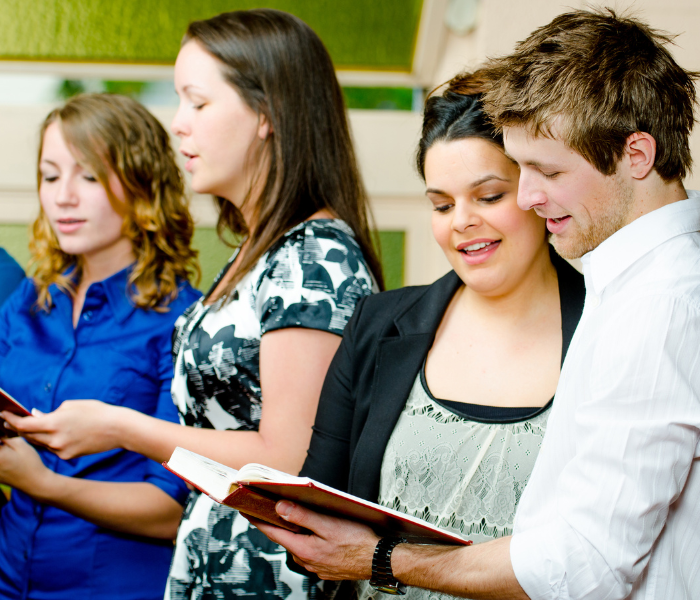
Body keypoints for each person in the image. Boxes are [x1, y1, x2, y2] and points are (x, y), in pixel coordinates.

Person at [251, 9, 700, 600]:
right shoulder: (634, 286)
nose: (532, 196)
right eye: (440, 204)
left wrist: (382, 558)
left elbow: (582, 566)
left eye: (540, 173)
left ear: (636, 154)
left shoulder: (660, 304)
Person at [6, 9, 383, 600]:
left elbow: (285, 458)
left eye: (197, 103)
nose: (178, 126)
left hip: (266, 577)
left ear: (267, 113)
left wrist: (119, 426)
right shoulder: (258, 256)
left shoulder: (314, 258)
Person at [282, 70, 585, 600]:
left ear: (537, 194)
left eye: (488, 196)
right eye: (441, 205)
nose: (461, 222)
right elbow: (318, 515)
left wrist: (378, 558)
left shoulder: (608, 326)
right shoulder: (377, 325)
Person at [0, 93, 201, 600]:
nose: (63, 196)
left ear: (143, 187)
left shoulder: (183, 321)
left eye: (88, 176)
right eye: (50, 176)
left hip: (112, 586)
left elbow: (170, 511)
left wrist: (44, 483)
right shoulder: (32, 299)